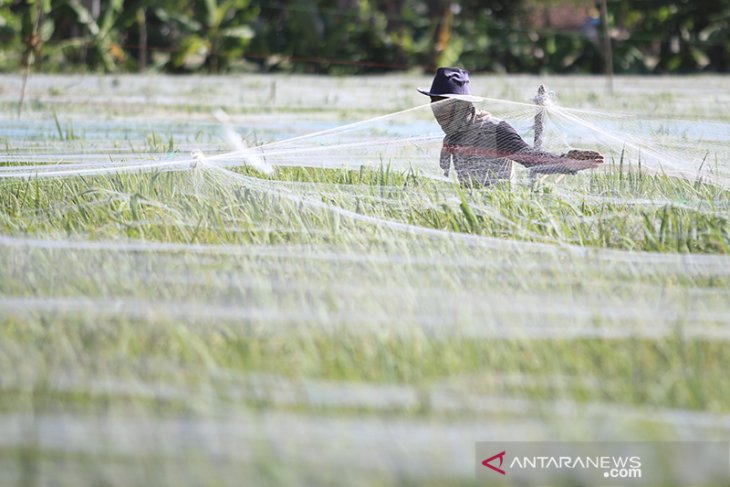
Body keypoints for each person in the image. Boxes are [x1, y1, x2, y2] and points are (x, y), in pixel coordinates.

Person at [418, 67, 604, 187]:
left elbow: (532, 159)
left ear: (462, 104)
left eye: (442, 103)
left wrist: (568, 162)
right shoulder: (454, 135)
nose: (436, 109)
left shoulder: (494, 130)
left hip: (497, 213)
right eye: (433, 102)